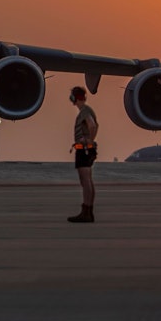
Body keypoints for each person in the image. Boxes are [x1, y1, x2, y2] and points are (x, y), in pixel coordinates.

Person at [68, 86, 98, 223]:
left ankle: (86, 211)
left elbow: (92, 125)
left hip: (84, 150)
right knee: (87, 181)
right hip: (86, 149)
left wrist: (88, 141)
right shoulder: (86, 111)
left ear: (75, 98)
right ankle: (88, 211)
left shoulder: (85, 111)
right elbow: (95, 126)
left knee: (85, 181)